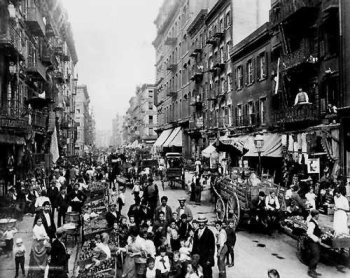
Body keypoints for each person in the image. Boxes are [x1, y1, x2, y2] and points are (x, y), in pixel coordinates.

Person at [307, 209, 322, 278]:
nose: (318, 216)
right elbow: (309, 233)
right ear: (315, 215)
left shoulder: (315, 221)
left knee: (317, 255)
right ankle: (311, 271)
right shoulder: (312, 223)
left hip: (316, 242)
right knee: (315, 256)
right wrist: (317, 239)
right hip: (312, 242)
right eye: (317, 214)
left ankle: (314, 270)